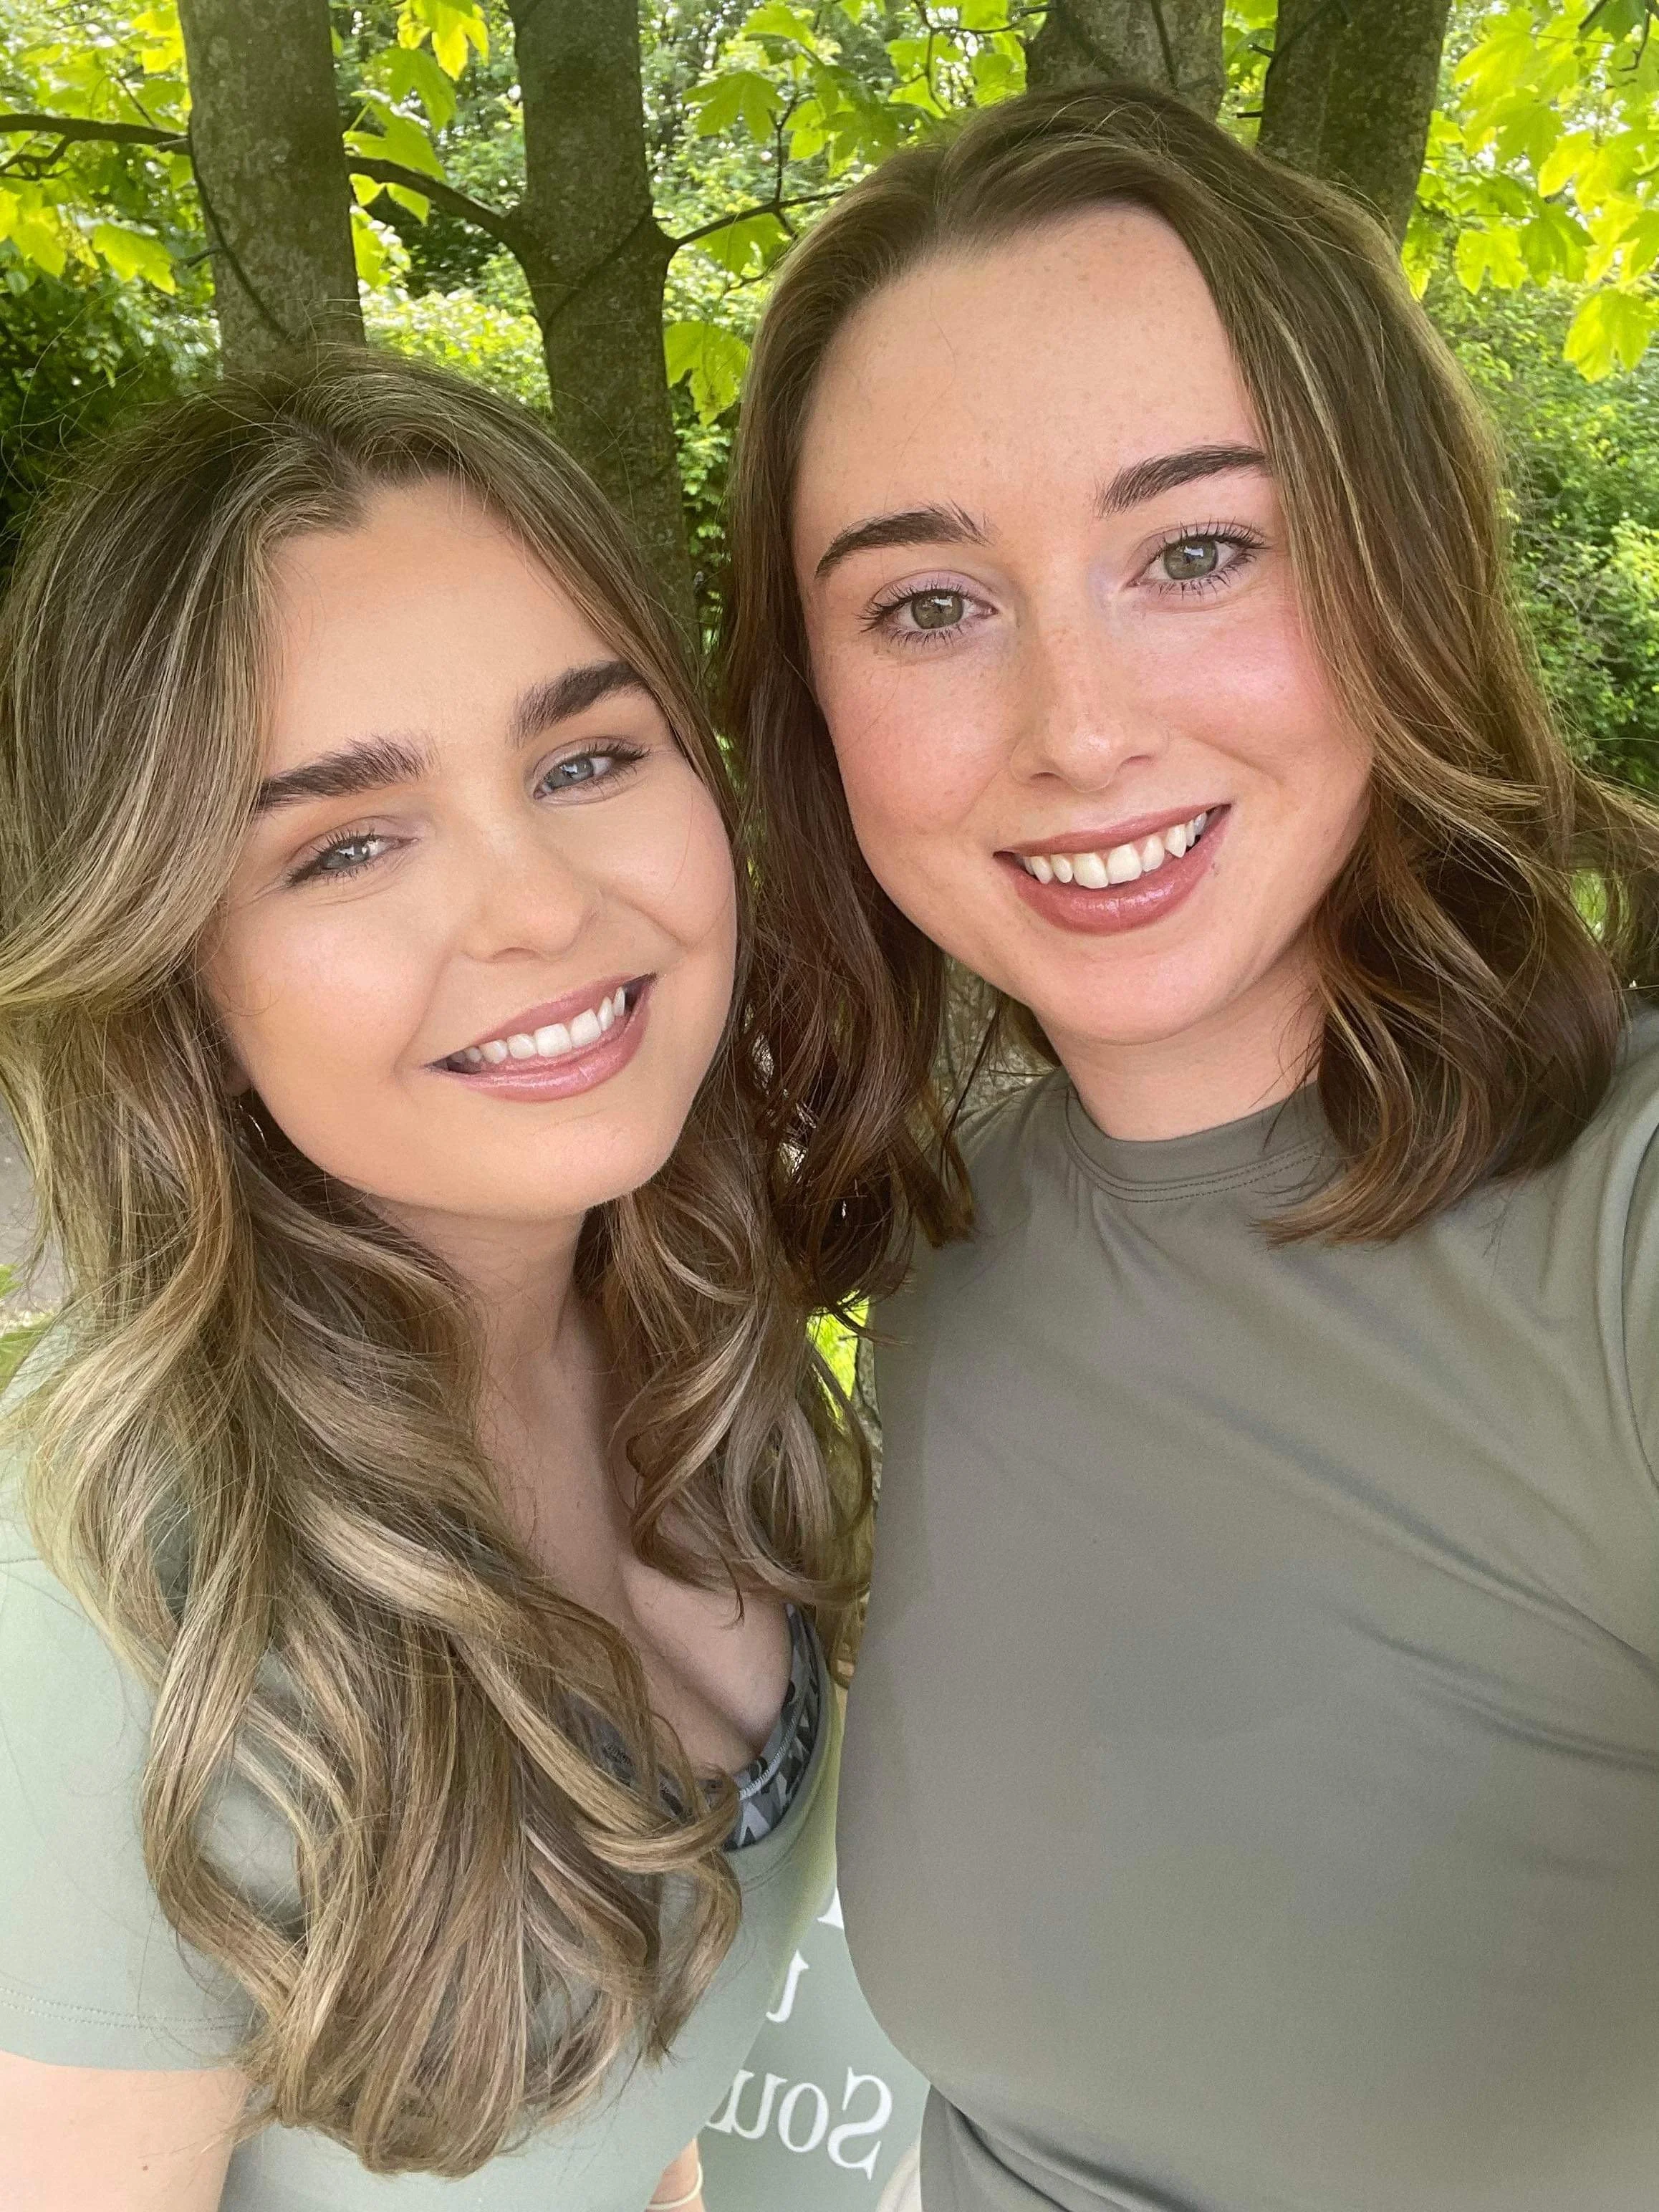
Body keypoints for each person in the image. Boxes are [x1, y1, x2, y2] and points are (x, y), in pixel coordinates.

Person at [721, 83, 1659, 2212]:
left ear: (1404, 564)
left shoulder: (1617, 1235)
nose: (1077, 727)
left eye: (1199, 551)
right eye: (928, 605)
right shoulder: (943, 1234)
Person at [0, 352, 866, 2211]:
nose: (539, 905)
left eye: (586, 759)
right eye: (347, 845)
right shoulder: (102, 1621)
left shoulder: (694, 1333)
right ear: (173, 968)